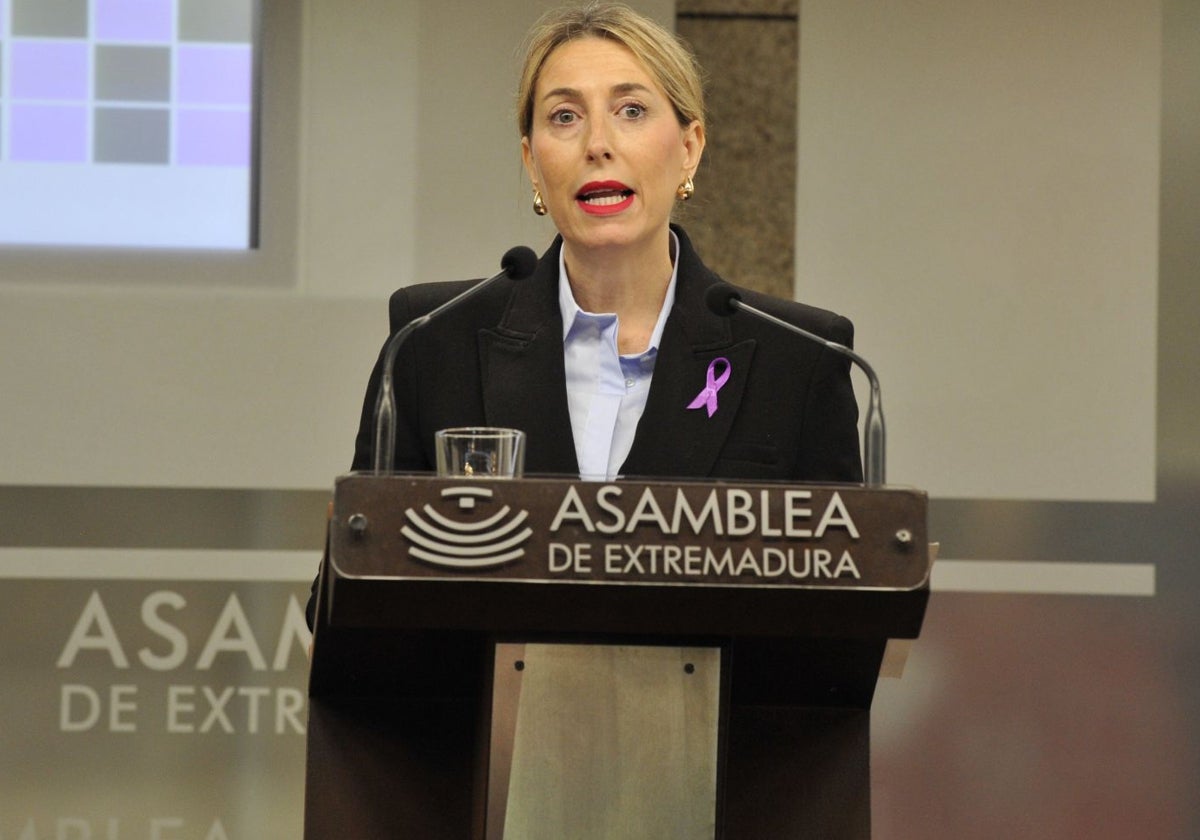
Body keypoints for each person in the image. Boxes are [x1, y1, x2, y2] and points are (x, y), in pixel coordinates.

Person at [307, 2, 861, 630]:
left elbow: (840, 625)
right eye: (565, 117)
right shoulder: (433, 340)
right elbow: (342, 602)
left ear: (689, 148)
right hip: (490, 721)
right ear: (531, 161)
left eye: (631, 111)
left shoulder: (799, 357)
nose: (598, 145)